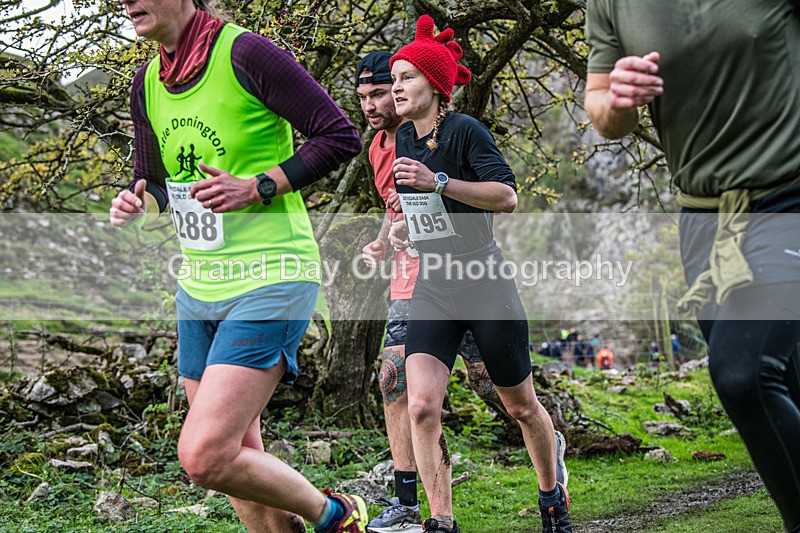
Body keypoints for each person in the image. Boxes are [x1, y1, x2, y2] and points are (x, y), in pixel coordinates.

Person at [109, 1, 368, 532]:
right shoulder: (146, 84)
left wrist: (258, 186)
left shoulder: (247, 53)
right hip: (198, 287)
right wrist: (138, 204)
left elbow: (339, 136)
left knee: (204, 455)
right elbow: (156, 184)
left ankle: (335, 515)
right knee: (236, 456)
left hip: (271, 278)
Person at [585, 2, 800, 531]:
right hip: (703, 220)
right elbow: (600, 106)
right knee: (787, 384)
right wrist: (618, 98)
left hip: (789, 198)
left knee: (744, 373)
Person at [356, 51, 568, 533]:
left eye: (406, 78)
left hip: (484, 283)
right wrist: (401, 234)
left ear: (434, 84)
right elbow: (422, 214)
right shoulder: (404, 136)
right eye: (394, 79)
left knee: (520, 406)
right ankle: (440, 521)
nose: (396, 89)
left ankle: (552, 497)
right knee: (421, 404)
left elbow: (507, 196)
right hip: (433, 284)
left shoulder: (466, 131)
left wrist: (441, 181)